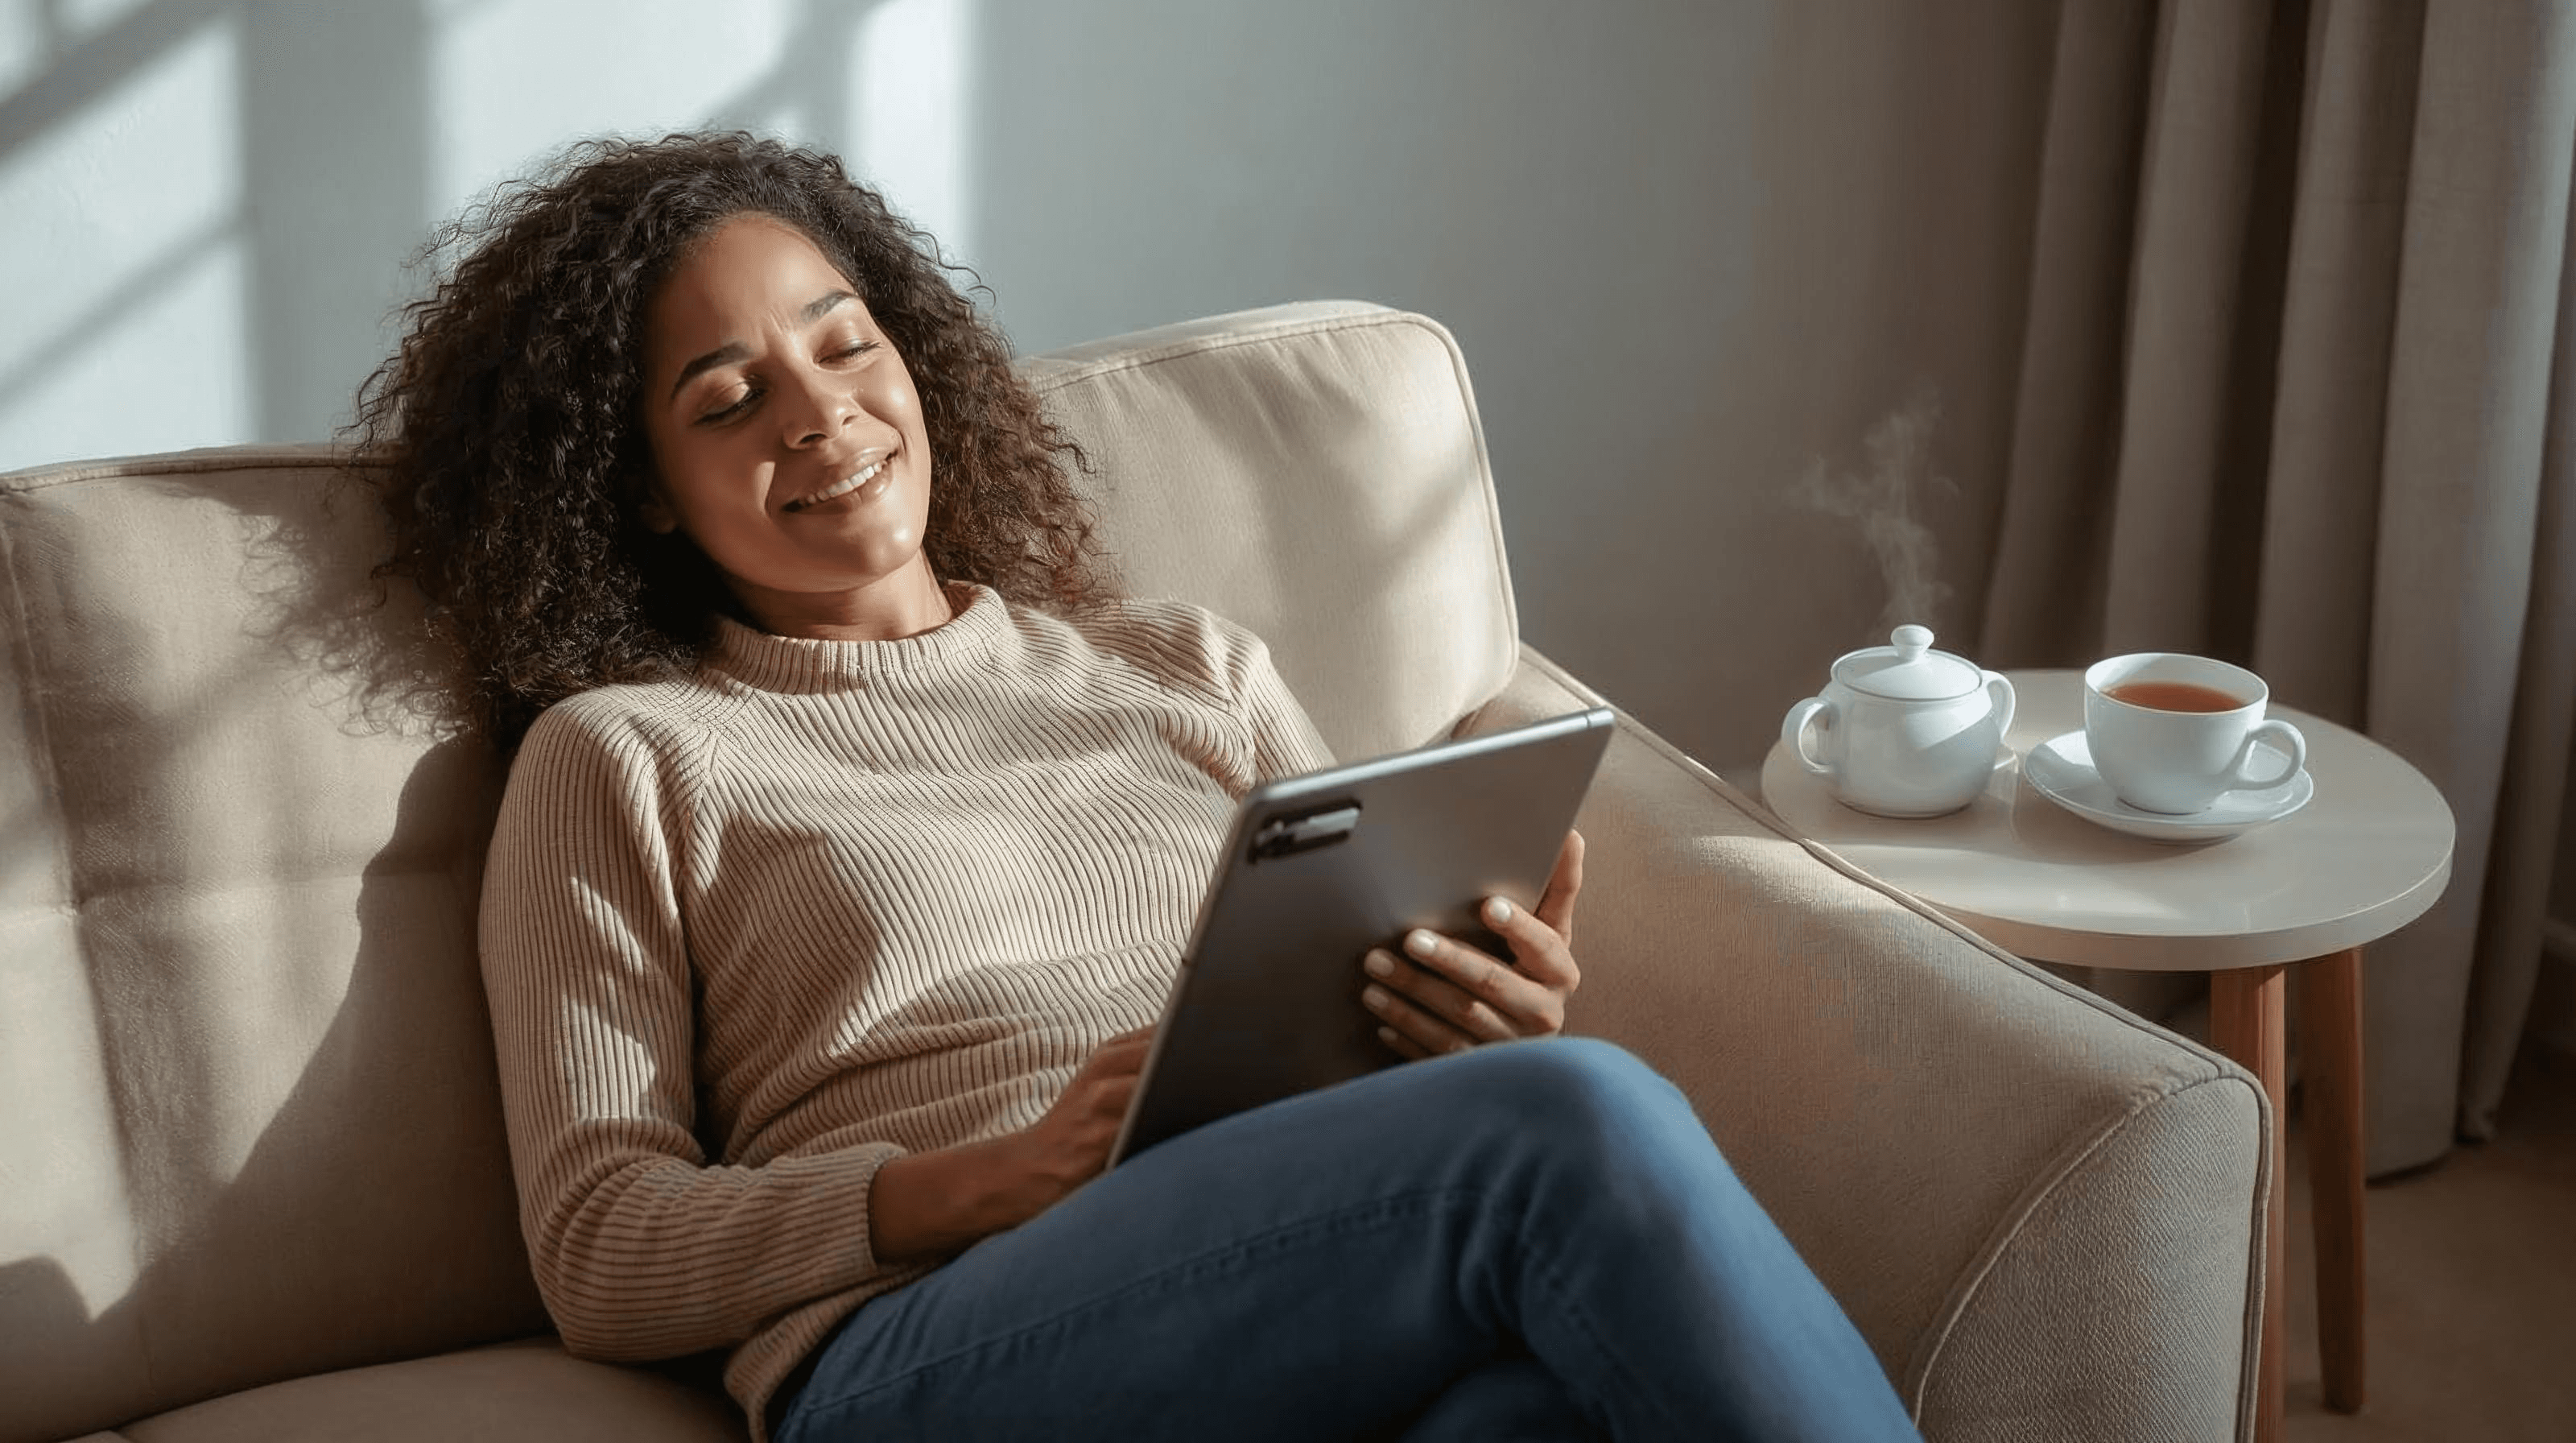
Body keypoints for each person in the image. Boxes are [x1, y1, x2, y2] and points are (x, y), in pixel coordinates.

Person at [354, 130, 1918, 1442]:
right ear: (642, 490)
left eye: (843, 341)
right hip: (926, 1342)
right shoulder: (625, 753)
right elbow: (597, 1242)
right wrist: (977, 1178)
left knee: (1539, 1402)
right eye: (726, 396)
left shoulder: (1186, 666)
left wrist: (1471, 1016)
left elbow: (1378, 1063)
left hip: (1273, 1272)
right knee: (1570, 1121)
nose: (819, 410)